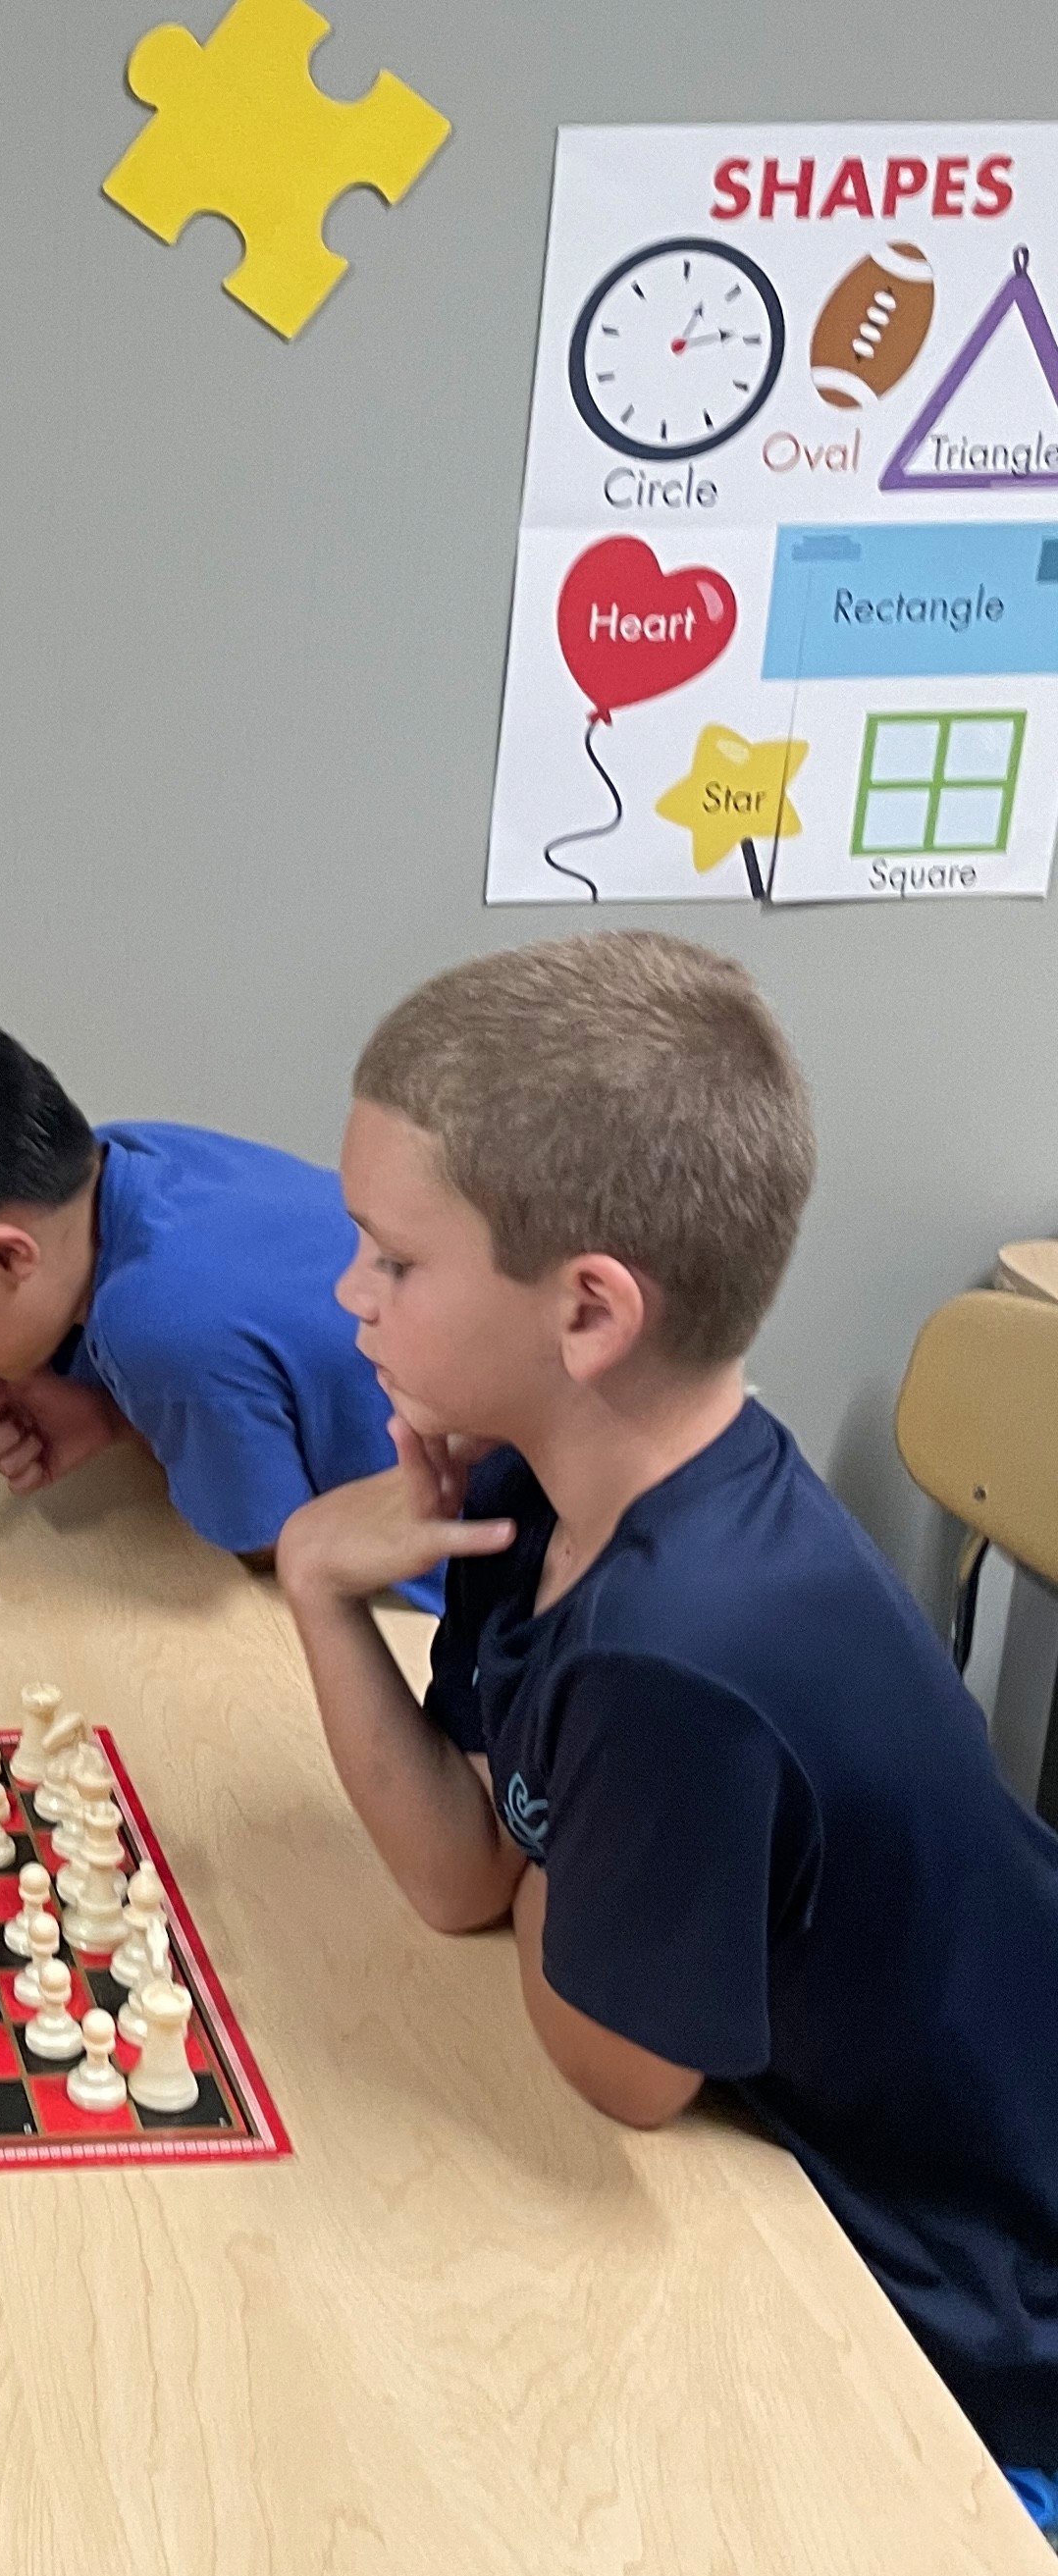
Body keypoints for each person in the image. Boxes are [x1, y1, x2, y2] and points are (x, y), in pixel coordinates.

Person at [275, 931, 1058, 2484]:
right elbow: (460, 1880)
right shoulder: (546, 1492)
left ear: (590, 1314)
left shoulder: (675, 1653)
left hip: (976, 2321)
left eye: (396, 1257)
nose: (347, 1290)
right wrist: (316, 1582)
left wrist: (552, 1825)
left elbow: (617, 2076)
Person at [0, 993, 433, 1598]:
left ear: (2, 1256)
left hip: (483, 1583)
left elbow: (272, 1546)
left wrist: (150, 1405)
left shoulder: (158, 1327)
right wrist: (115, 1408)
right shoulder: (131, 1153)